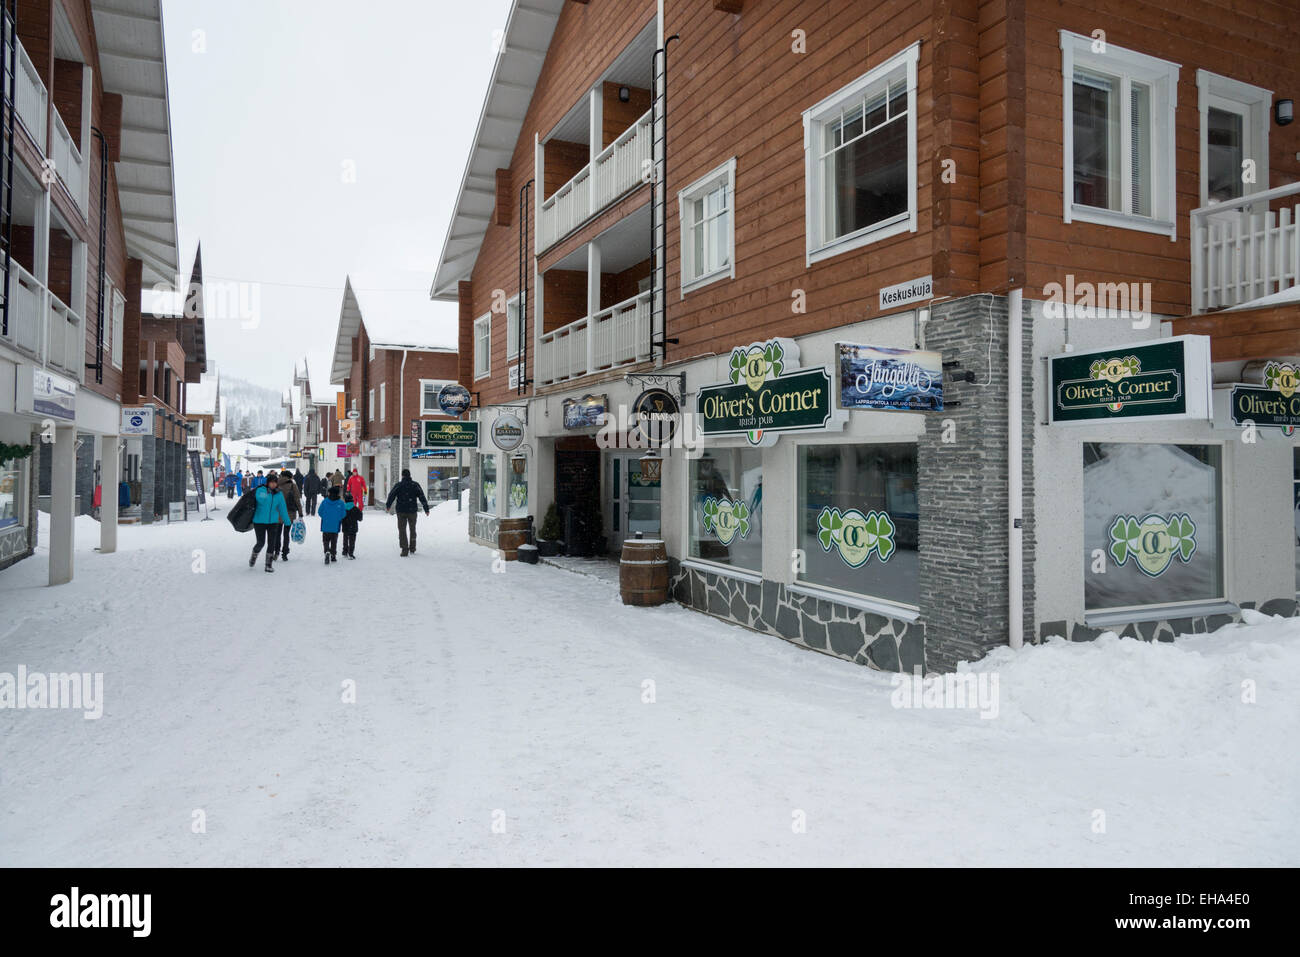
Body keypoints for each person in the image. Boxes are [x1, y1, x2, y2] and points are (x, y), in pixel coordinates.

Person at [249, 472, 291, 572]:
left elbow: (282, 509)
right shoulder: (260, 490)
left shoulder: (279, 494)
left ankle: (268, 565)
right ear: (268, 483)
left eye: (275, 483)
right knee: (261, 542)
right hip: (259, 521)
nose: (273, 484)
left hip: (273, 522)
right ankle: (254, 556)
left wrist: (287, 522)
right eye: (271, 482)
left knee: (271, 543)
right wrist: (268, 493)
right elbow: (260, 500)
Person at [385, 468, 430, 557]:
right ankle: (412, 547)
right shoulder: (415, 485)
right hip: (412, 511)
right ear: (410, 475)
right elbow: (422, 496)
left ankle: (405, 549)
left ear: (402, 476)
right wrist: (426, 509)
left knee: (402, 530)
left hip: (401, 511)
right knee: (412, 529)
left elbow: (392, 495)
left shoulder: (399, 485)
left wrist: (388, 505)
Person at [277, 469, 305, 560]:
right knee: (286, 534)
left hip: (277, 513)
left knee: (277, 534)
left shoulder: (275, 484)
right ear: (290, 477)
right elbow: (297, 500)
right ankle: (284, 553)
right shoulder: (293, 486)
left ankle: (276, 550)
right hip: (290, 513)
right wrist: (300, 512)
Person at [317, 485, 347, 564]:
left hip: (325, 525)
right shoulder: (340, 503)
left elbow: (320, 512)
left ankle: (327, 551)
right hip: (335, 526)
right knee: (334, 541)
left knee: (326, 540)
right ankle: (333, 555)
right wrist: (338, 518)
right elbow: (343, 514)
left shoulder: (325, 501)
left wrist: (325, 517)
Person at [340, 491, 363, 559]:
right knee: (352, 540)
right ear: (352, 500)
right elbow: (360, 519)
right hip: (353, 527)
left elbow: (340, 517)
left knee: (345, 539)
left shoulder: (343, 509)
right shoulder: (356, 509)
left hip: (345, 526)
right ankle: (351, 553)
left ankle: (345, 551)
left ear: (345, 500)